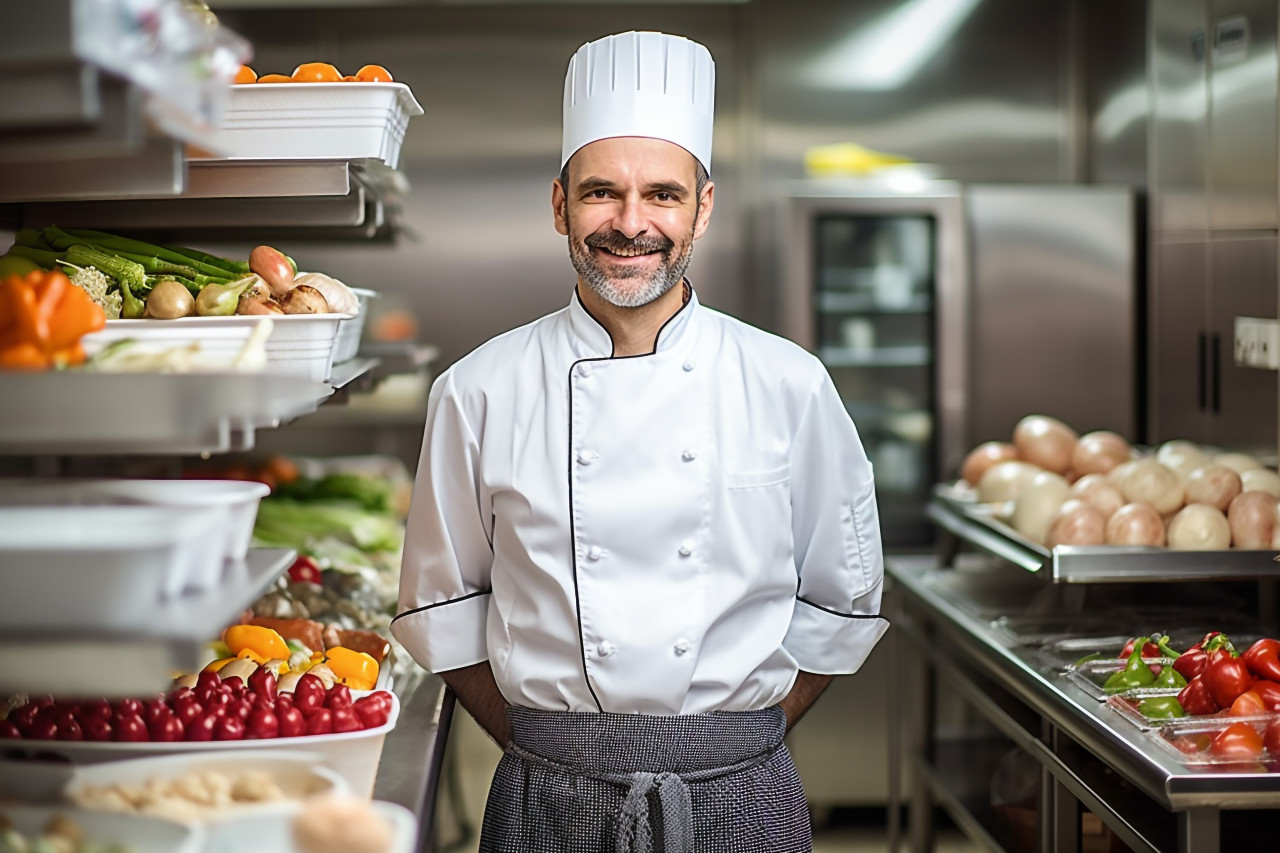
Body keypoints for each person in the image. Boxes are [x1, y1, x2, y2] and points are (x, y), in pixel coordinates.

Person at [392, 30, 888, 853]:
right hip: (548, 796)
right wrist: (552, 747)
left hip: (743, 794)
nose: (631, 224)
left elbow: (841, 603)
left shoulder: (788, 382)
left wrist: (737, 742)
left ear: (703, 206)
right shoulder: (477, 389)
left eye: (662, 193)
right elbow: (442, 607)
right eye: (600, 193)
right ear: (559, 205)